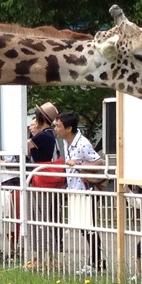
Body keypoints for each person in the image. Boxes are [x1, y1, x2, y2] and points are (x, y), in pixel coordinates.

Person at [55, 110, 105, 275]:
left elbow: (99, 163)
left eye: (58, 126)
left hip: (85, 190)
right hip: (74, 189)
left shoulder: (82, 144)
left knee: (88, 227)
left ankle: (96, 261)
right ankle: (97, 260)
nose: (56, 129)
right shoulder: (66, 143)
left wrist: (78, 164)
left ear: (68, 128)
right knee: (84, 227)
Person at [23, 102, 62, 270]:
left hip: (40, 176)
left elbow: (23, 146)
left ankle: (44, 257)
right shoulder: (50, 134)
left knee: (40, 219)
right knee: (45, 219)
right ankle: (49, 257)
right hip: (45, 176)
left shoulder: (42, 136)